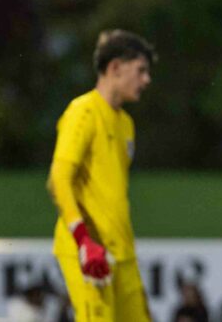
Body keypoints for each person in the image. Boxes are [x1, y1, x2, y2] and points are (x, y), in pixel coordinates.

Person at [46, 29, 156, 322]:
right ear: (115, 68)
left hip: (122, 252)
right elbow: (58, 179)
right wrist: (84, 241)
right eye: (140, 70)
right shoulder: (83, 112)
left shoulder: (126, 124)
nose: (147, 80)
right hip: (91, 251)